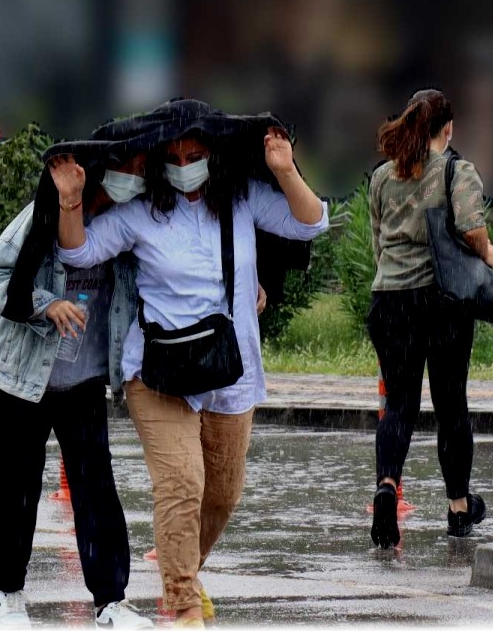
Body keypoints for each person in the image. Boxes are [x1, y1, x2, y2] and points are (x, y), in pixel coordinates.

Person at [51, 101, 328, 627]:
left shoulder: (242, 201)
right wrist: (70, 203)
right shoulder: (141, 215)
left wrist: (285, 169)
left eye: (195, 154)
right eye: (174, 156)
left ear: (214, 156)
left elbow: (309, 223)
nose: (185, 165)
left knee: (222, 494)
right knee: (181, 484)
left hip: (231, 368)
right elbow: (79, 253)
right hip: (159, 373)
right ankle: (182, 608)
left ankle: (186, 573)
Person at [0, 151, 154, 630]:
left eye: (141, 171)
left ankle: (110, 602)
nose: (135, 179)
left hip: (84, 381)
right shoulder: (41, 215)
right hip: (23, 382)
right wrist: (45, 304)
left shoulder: (123, 227)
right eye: (128, 170)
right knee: (16, 490)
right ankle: (7, 594)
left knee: (97, 493)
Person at [366, 89, 493, 549]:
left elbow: (378, 242)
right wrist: (489, 253)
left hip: (390, 301)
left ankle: (386, 487)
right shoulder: (457, 171)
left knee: (399, 404)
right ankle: (459, 508)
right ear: (448, 128)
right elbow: (472, 228)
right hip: (440, 304)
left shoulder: (382, 176)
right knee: (450, 406)